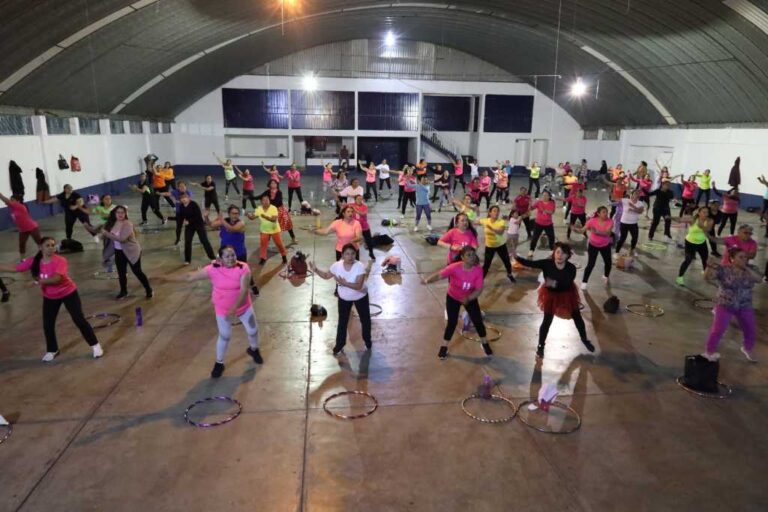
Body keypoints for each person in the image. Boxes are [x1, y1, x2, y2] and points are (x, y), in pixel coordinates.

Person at [163, 246, 263, 377]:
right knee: (225, 335)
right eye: (227, 256)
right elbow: (189, 277)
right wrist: (165, 278)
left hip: (243, 307)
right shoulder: (213, 269)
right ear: (220, 259)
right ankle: (219, 363)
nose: (231, 258)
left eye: (233, 255)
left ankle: (254, 349)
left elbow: (244, 290)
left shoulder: (243, 267)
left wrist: (234, 308)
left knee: (253, 330)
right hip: (222, 309)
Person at [0, 237, 104, 362]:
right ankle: (52, 349)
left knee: (79, 320)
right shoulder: (35, 261)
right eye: (47, 245)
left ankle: (95, 345)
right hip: (50, 297)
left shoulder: (60, 260)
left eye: (53, 245)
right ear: (40, 247)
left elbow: (57, 279)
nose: (51, 248)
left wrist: (37, 281)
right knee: (48, 324)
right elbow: (15, 268)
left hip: (68, 293)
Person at [514, 243, 595, 358]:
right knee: (547, 321)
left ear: (568, 255)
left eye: (563, 253)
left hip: (567, 294)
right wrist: (516, 257)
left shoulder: (571, 268)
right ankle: (541, 346)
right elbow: (530, 263)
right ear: (554, 253)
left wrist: (551, 283)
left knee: (577, 317)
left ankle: (584, 339)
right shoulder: (547, 264)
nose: (559, 255)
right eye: (557, 252)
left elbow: (566, 283)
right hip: (551, 295)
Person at [421, 245, 493, 359]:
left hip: (470, 298)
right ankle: (444, 346)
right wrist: (427, 280)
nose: (472, 257)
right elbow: (440, 275)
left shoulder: (478, 270)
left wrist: (468, 298)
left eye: (473, 255)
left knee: (478, 321)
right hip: (453, 297)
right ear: (462, 257)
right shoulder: (454, 267)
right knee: (452, 322)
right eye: (469, 255)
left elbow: (479, 289)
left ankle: (484, 343)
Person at [310, 245, 373, 355]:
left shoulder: (359, 266)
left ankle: (367, 341)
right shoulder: (337, 266)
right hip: (344, 298)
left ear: (356, 254)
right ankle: (339, 344)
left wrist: (345, 283)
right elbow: (326, 275)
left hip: (360, 296)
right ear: (342, 255)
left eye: (353, 253)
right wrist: (315, 269)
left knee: (365, 320)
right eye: (347, 254)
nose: (350, 256)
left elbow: (358, 286)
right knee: (342, 322)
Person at [702, 248, 762, 362]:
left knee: (750, 329)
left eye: (745, 257)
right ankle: (709, 352)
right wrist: (708, 267)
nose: (744, 259)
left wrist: (745, 268)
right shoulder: (724, 270)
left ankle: (747, 348)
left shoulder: (752, 269)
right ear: (732, 259)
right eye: (741, 257)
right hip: (725, 304)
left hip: (745, 304)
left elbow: (759, 279)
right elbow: (707, 278)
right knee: (718, 330)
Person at [100, 206, 153, 300]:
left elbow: (122, 239)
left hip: (132, 251)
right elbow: (109, 237)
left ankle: (148, 289)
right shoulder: (113, 223)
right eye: (118, 212)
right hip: (119, 252)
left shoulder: (127, 224)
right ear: (114, 213)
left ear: (125, 214)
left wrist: (106, 233)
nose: (120, 214)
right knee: (121, 273)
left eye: (122, 213)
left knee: (137, 271)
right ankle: (123, 291)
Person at [211, 205, 259, 296]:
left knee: (244, 271)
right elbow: (212, 225)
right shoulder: (224, 221)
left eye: (237, 213)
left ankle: (253, 286)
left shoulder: (241, 223)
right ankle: (228, 288)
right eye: (233, 213)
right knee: (223, 270)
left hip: (239, 253)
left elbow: (232, 229)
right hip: (225, 253)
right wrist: (207, 217)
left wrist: (221, 220)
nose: (235, 215)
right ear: (229, 214)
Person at [574, 206, 613, 290]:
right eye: (603, 212)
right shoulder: (592, 221)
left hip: (605, 245)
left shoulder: (610, 221)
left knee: (608, 262)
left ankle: (606, 276)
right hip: (593, 245)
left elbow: (608, 233)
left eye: (606, 212)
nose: (606, 214)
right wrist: (576, 230)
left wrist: (597, 232)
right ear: (598, 214)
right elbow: (582, 230)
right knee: (591, 264)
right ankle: (584, 282)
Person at [676, 206, 715, 286]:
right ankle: (680, 277)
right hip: (690, 243)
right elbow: (680, 219)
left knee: (705, 259)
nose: (706, 214)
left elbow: (708, 230)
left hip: (702, 243)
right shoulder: (693, 219)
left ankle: (705, 272)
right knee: (688, 260)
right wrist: (668, 217)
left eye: (707, 212)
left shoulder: (710, 220)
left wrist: (702, 226)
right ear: (699, 213)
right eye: (704, 212)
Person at [0, 192, 43, 260]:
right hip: (23, 230)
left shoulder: (19, 206)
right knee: (22, 244)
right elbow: (7, 202)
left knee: (39, 242)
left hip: (32, 227)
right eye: (11, 200)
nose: (11, 201)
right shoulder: (11, 208)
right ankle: (22, 259)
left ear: (18, 201)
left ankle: (46, 255)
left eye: (12, 200)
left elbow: (6, 200)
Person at [478, 205, 516, 282]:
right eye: (494, 211)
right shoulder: (485, 220)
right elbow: (473, 221)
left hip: (500, 246)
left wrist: (491, 228)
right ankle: (480, 280)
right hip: (489, 246)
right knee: (486, 265)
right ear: (490, 212)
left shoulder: (501, 222)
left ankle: (509, 274)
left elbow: (501, 232)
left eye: (498, 211)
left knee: (507, 262)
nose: (496, 212)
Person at [248, 193, 288, 265]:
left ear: (269, 200)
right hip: (264, 230)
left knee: (279, 244)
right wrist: (249, 216)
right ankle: (263, 258)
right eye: (264, 200)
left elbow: (273, 219)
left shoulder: (273, 208)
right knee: (263, 244)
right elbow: (252, 217)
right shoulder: (259, 209)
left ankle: (284, 256)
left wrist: (265, 216)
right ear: (261, 202)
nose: (266, 201)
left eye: (267, 200)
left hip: (274, 229)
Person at [177, 193, 216, 264]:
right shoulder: (181, 206)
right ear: (180, 200)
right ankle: (187, 260)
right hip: (189, 226)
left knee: (204, 240)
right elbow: (180, 217)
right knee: (187, 241)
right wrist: (169, 218)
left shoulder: (194, 204)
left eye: (185, 197)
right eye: (182, 198)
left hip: (199, 224)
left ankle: (212, 257)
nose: (184, 199)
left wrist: (189, 221)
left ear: (188, 198)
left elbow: (198, 216)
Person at [263, 179, 297, 244]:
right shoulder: (267, 192)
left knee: (287, 224)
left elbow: (278, 201)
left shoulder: (279, 192)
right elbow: (260, 196)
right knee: (270, 226)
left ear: (277, 185)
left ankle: (293, 238)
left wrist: (271, 207)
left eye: (275, 183)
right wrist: (251, 197)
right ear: (269, 185)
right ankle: (266, 242)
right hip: (272, 211)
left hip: (280, 210)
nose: (273, 185)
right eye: (272, 183)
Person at [615, 190, 645, 255]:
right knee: (622, 238)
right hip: (624, 223)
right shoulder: (625, 200)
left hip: (633, 223)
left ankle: (632, 250)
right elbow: (615, 198)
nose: (636, 195)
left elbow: (640, 211)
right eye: (635, 193)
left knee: (635, 238)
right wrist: (612, 191)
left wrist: (632, 207)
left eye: (638, 194)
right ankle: (617, 252)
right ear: (631, 194)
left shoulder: (640, 203)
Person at [528, 190, 556, 257]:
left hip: (548, 224)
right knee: (535, 238)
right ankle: (531, 250)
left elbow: (551, 212)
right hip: (538, 223)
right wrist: (530, 205)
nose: (544, 197)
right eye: (543, 195)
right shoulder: (539, 202)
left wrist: (544, 210)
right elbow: (531, 208)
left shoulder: (552, 203)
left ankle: (552, 250)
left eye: (546, 195)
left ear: (549, 196)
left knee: (551, 237)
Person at [351, 195, 376, 260]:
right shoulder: (351, 206)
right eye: (358, 199)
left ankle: (371, 253)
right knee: (353, 242)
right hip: (355, 227)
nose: (360, 200)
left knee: (369, 241)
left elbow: (363, 214)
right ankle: (354, 255)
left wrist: (355, 210)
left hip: (364, 226)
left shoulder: (364, 206)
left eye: (361, 199)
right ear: (355, 200)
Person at [170, 181, 193, 246]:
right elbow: (170, 194)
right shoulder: (175, 192)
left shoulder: (188, 192)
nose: (182, 187)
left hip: (188, 213)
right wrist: (173, 199)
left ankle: (189, 239)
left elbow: (189, 200)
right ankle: (178, 239)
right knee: (178, 227)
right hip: (179, 213)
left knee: (189, 227)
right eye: (180, 186)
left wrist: (179, 201)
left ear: (186, 187)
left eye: (183, 186)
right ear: (178, 187)